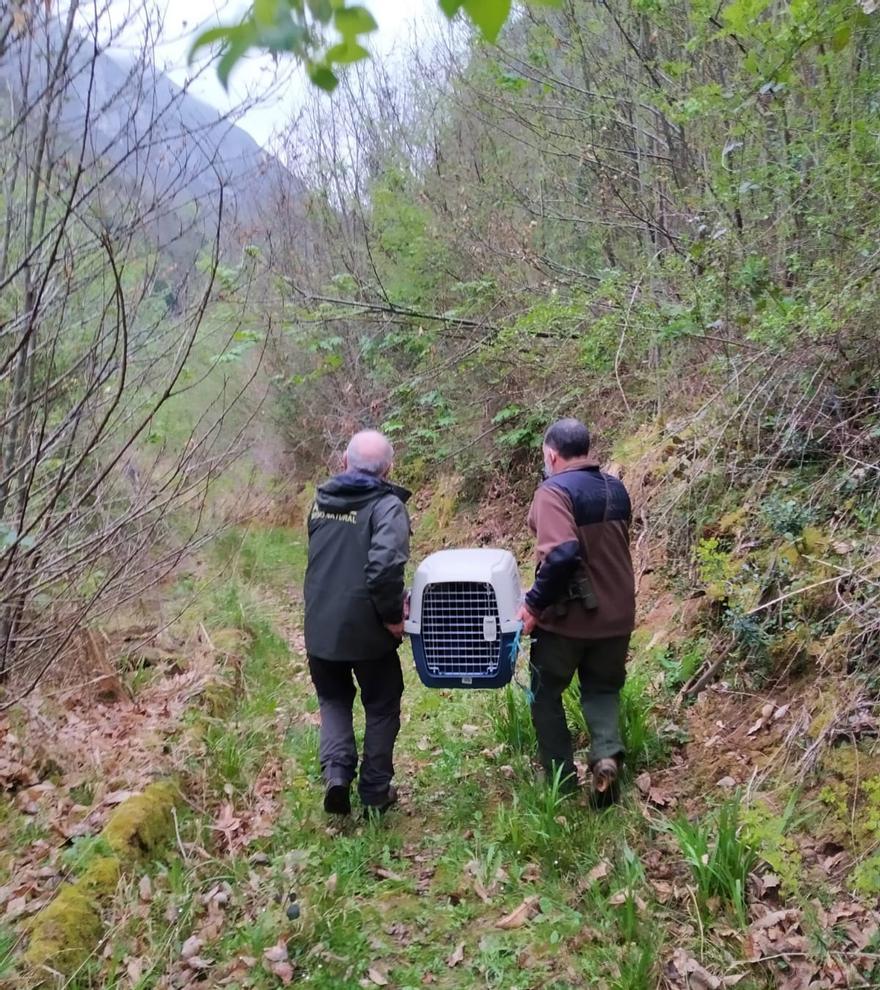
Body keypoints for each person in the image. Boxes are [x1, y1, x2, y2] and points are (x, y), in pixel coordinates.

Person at [516, 418, 636, 803]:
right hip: (617, 617)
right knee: (602, 690)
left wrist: (533, 605)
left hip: (568, 621)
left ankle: (560, 781)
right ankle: (606, 759)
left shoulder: (553, 492)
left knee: (544, 693)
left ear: (551, 455)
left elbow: (563, 552)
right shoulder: (615, 488)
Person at [303, 430, 411, 816]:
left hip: (320, 627)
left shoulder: (320, 502)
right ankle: (375, 791)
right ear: (389, 469)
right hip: (368, 630)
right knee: (382, 704)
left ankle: (336, 774)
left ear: (344, 463)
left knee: (333, 700)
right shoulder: (386, 507)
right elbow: (384, 569)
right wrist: (392, 618)